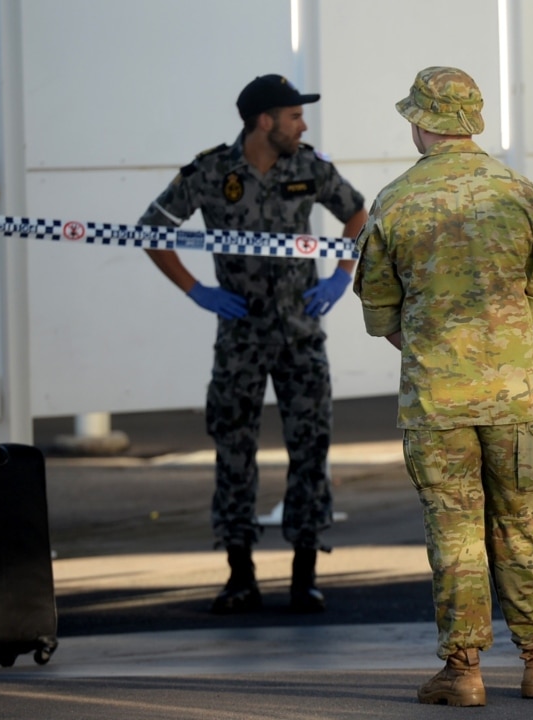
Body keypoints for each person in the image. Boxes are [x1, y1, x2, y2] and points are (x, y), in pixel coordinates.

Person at [353, 66, 533, 707]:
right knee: (523, 528)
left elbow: (380, 316)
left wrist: (438, 348)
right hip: (517, 396)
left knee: (455, 532)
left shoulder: (394, 201)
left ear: (421, 122)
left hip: (437, 401)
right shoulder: (520, 193)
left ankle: (462, 672)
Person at [138, 74, 367, 614]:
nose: (302, 124)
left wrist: (341, 273)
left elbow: (360, 214)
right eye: (293, 115)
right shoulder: (212, 170)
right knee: (234, 451)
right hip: (239, 335)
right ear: (264, 121)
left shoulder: (309, 166)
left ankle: (304, 576)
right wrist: (197, 290)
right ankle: (239, 575)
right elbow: (153, 228)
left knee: (310, 451)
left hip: (300, 334)